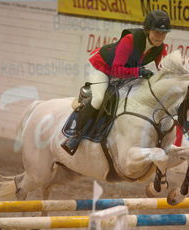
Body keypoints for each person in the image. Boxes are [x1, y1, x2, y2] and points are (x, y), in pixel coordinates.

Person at [61, 10, 170, 155]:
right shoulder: (130, 39)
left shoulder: (160, 48)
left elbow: (164, 70)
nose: (160, 36)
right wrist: (138, 72)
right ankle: (75, 136)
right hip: (102, 66)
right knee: (99, 99)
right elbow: (116, 70)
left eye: (163, 33)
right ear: (148, 29)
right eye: (156, 32)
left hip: (125, 71)